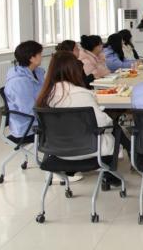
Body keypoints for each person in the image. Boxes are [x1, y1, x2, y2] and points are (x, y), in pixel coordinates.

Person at [35, 51, 129, 186]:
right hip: (88, 150)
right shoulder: (82, 94)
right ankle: (110, 174)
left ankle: (109, 175)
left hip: (57, 152)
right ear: (74, 70)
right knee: (114, 128)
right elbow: (103, 123)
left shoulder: (45, 96)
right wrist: (108, 118)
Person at [4, 41, 45, 142]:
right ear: (32, 58)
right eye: (40, 54)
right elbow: (29, 110)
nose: (42, 56)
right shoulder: (18, 82)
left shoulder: (37, 72)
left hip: (39, 119)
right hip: (27, 127)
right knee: (64, 127)